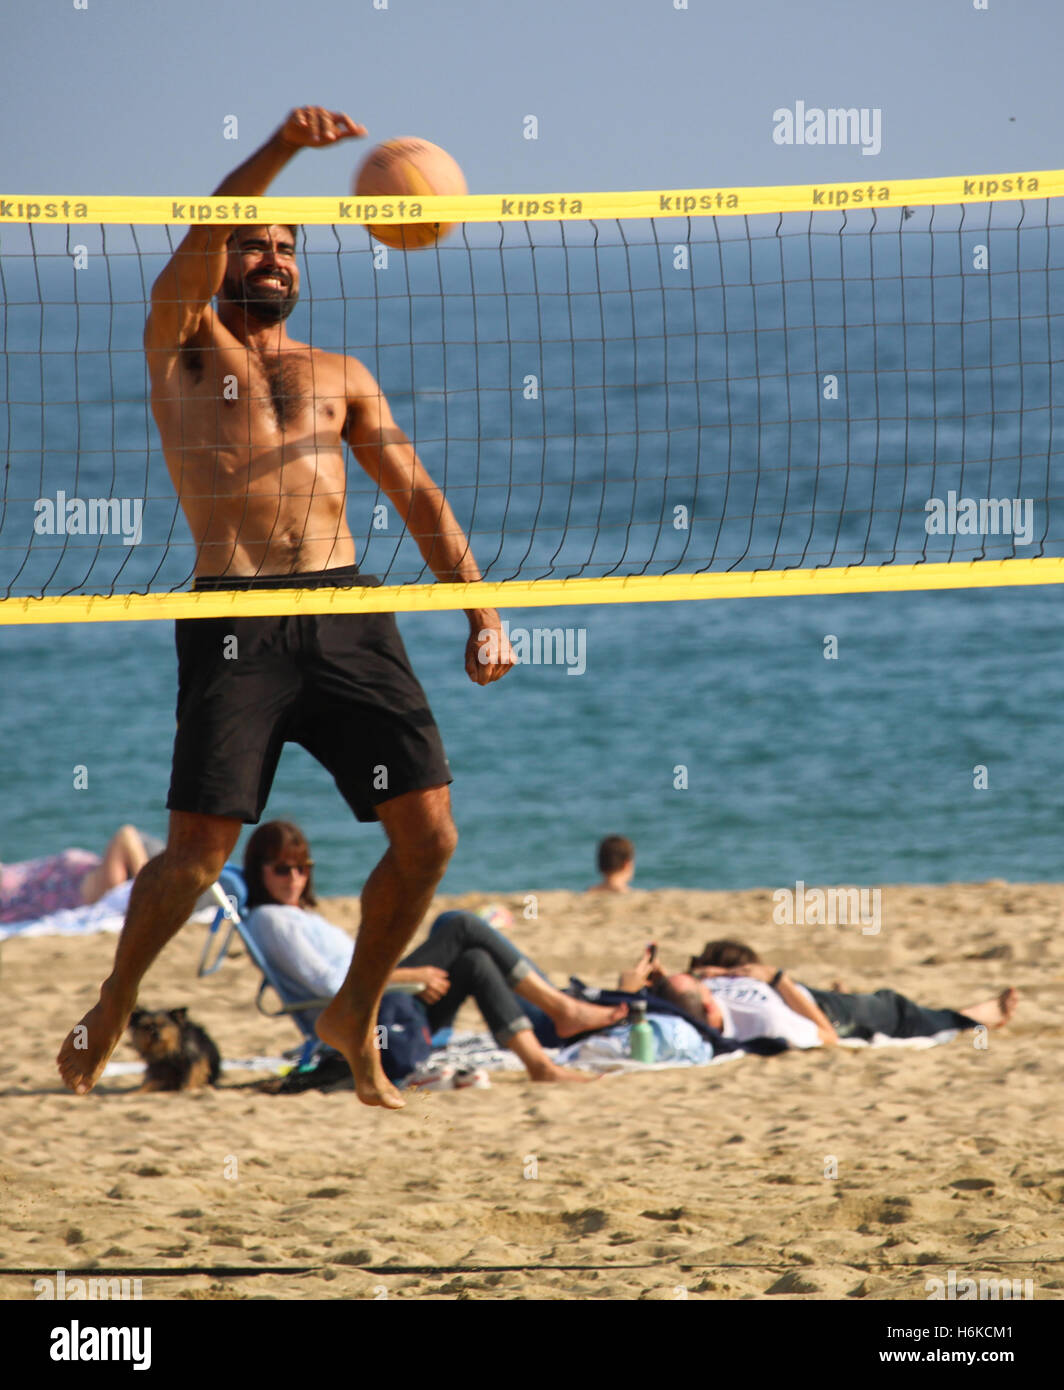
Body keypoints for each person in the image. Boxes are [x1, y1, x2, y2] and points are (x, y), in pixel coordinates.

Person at [58, 107, 515, 1109]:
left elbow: (417, 495)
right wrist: (281, 153)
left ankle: (352, 1012)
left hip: (347, 612)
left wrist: (481, 610)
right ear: (224, 258)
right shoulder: (182, 341)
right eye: (254, 242)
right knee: (194, 858)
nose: (271, 254)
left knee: (430, 835)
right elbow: (207, 223)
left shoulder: (340, 375)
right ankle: (117, 991)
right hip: (235, 618)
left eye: (285, 245)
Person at [240, 821, 626, 1083]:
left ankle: (540, 1064)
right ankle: (561, 1010)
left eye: (302, 868)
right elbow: (333, 982)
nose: (294, 878)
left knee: (473, 958)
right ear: (260, 872)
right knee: (457, 924)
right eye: (281, 869)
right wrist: (411, 977)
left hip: (388, 1007)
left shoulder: (298, 915)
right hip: (363, 1019)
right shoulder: (272, 920)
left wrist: (406, 979)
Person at [642, 939, 1018, 1048]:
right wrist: (777, 979)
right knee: (895, 1008)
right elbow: (828, 1037)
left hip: (799, 994)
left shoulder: (694, 997)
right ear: (705, 1002)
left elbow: (675, 999)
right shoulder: (768, 1022)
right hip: (824, 1012)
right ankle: (975, 1016)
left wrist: (664, 981)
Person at [2, 826, 155, 924]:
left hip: (22, 886)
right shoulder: (109, 881)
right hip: (28, 882)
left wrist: (145, 881)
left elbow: (126, 833)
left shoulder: (112, 883)